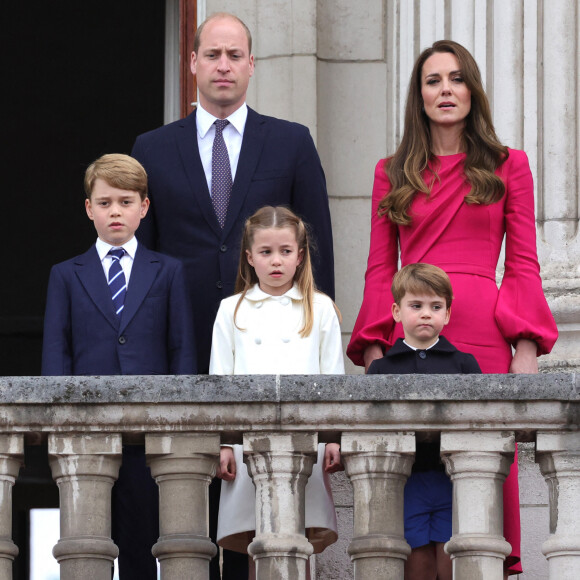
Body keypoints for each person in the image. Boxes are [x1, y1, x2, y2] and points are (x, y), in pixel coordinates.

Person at [131, 13, 335, 577]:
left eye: (234, 55)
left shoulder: (291, 143)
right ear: (192, 63)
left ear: (251, 65)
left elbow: (319, 256)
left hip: (270, 348)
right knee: (182, 502)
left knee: (265, 515)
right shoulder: (151, 147)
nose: (223, 65)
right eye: (212, 54)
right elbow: (144, 260)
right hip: (182, 345)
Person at [347, 40, 558, 575]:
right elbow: (379, 268)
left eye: (457, 79)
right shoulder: (390, 171)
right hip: (409, 339)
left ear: (473, 91)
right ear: (418, 97)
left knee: (481, 476)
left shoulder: (511, 165)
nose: (446, 90)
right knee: (414, 483)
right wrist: (375, 350)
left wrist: (526, 347)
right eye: (433, 80)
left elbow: (524, 264)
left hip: (484, 335)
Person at [41, 154, 196, 580]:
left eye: (125, 202)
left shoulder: (167, 271)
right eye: (105, 202)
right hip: (87, 433)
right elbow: (57, 354)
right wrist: (61, 426)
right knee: (86, 542)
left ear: (143, 208)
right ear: (89, 208)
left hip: (149, 437)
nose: (115, 211)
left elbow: (181, 349)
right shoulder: (65, 275)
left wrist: (179, 427)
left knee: (144, 542)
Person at [210, 206, 344, 578]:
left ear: (300, 257)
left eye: (285, 251)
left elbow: (334, 378)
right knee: (257, 539)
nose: (276, 261)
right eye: (266, 252)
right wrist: (224, 443)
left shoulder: (320, 309)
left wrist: (333, 438)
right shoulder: (230, 310)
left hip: (306, 440)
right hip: (247, 442)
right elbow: (219, 381)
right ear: (249, 257)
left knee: (300, 536)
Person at [367, 263, 482, 580]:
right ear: (396, 311)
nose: (426, 314)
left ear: (447, 313)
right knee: (416, 562)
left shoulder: (464, 364)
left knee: (452, 558)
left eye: (436, 306)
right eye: (416, 306)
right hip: (406, 482)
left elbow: (482, 422)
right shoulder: (381, 369)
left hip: (453, 481)